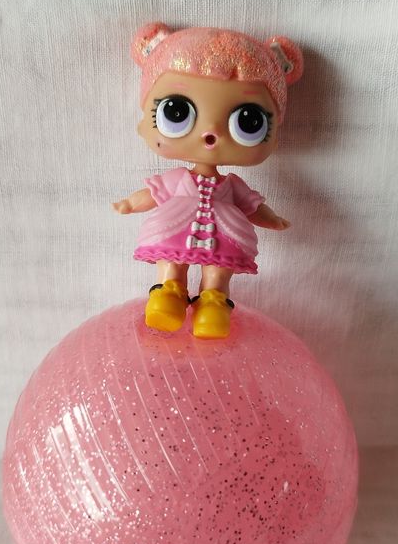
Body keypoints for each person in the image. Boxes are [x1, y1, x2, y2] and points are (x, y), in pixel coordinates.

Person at [113, 23, 303, 339]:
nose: (210, 133)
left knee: (218, 271)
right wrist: (129, 203)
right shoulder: (177, 180)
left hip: (224, 233)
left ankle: (213, 304)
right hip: (175, 227)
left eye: (249, 121)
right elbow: (152, 193)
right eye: (176, 112)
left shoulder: (232, 186)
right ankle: (168, 294)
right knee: (171, 262)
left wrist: (272, 219)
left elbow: (253, 207)